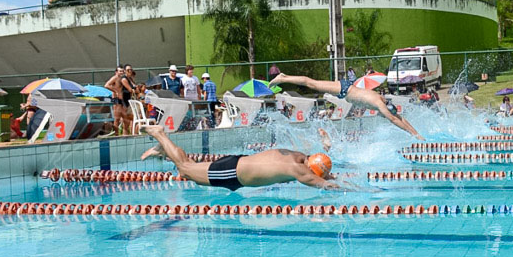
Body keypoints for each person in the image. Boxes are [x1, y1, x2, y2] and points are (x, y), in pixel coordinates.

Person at [140, 126, 338, 190]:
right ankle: (160, 134)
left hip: (236, 165)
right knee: (185, 170)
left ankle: (163, 150)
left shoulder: (299, 157)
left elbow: (316, 173)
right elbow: (326, 186)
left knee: (191, 168)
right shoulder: (299, 171)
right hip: (232, 172)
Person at [270, 72, 424, 139]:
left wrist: (416, 133)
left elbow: (399, 117)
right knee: (312, 84)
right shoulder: (378, 103)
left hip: (346, 89)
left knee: (313, 84)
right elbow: (394, 119)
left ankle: (284, 78)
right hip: (345, 89)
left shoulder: (380, 99)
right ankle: (283, 78)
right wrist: (413, 134)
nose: (383, 114)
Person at [104, 67, 127, 133]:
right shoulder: (115, 78)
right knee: (117, 118)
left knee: (124, 117)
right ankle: (116, 134)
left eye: (122, 71)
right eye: (120, 71)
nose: (122, 72)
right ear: (116, 72)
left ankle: (124, 133)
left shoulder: (123, 79)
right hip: (117, 99)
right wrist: (115, 91)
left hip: (122, 99)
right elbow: (106, 85)